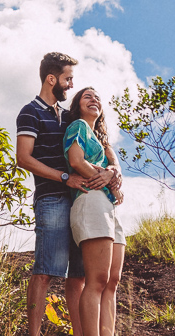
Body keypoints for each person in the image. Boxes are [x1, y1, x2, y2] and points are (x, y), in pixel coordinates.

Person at [16, 53, 118, 336]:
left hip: (79, 201)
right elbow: (23, 158)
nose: (71, 84)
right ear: (52, 79)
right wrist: (64, 177)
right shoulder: (30, 112)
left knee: (78, 276)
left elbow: (97, 143)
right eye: (67, 79)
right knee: (46, 270)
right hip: (52, 198)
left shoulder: (67, 117)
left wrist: (113, 170)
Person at [64, 87, 125, 336]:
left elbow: (117, 177)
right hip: (90, 201)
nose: (94, 100)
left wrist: (112, 175)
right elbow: (77, 161)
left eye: (97, 97)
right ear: (77, 104)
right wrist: (108, 179)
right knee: (97, 279)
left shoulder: (104, 143)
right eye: (87, 96)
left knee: (112, 281)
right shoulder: (78, 126)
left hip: (109, 207)